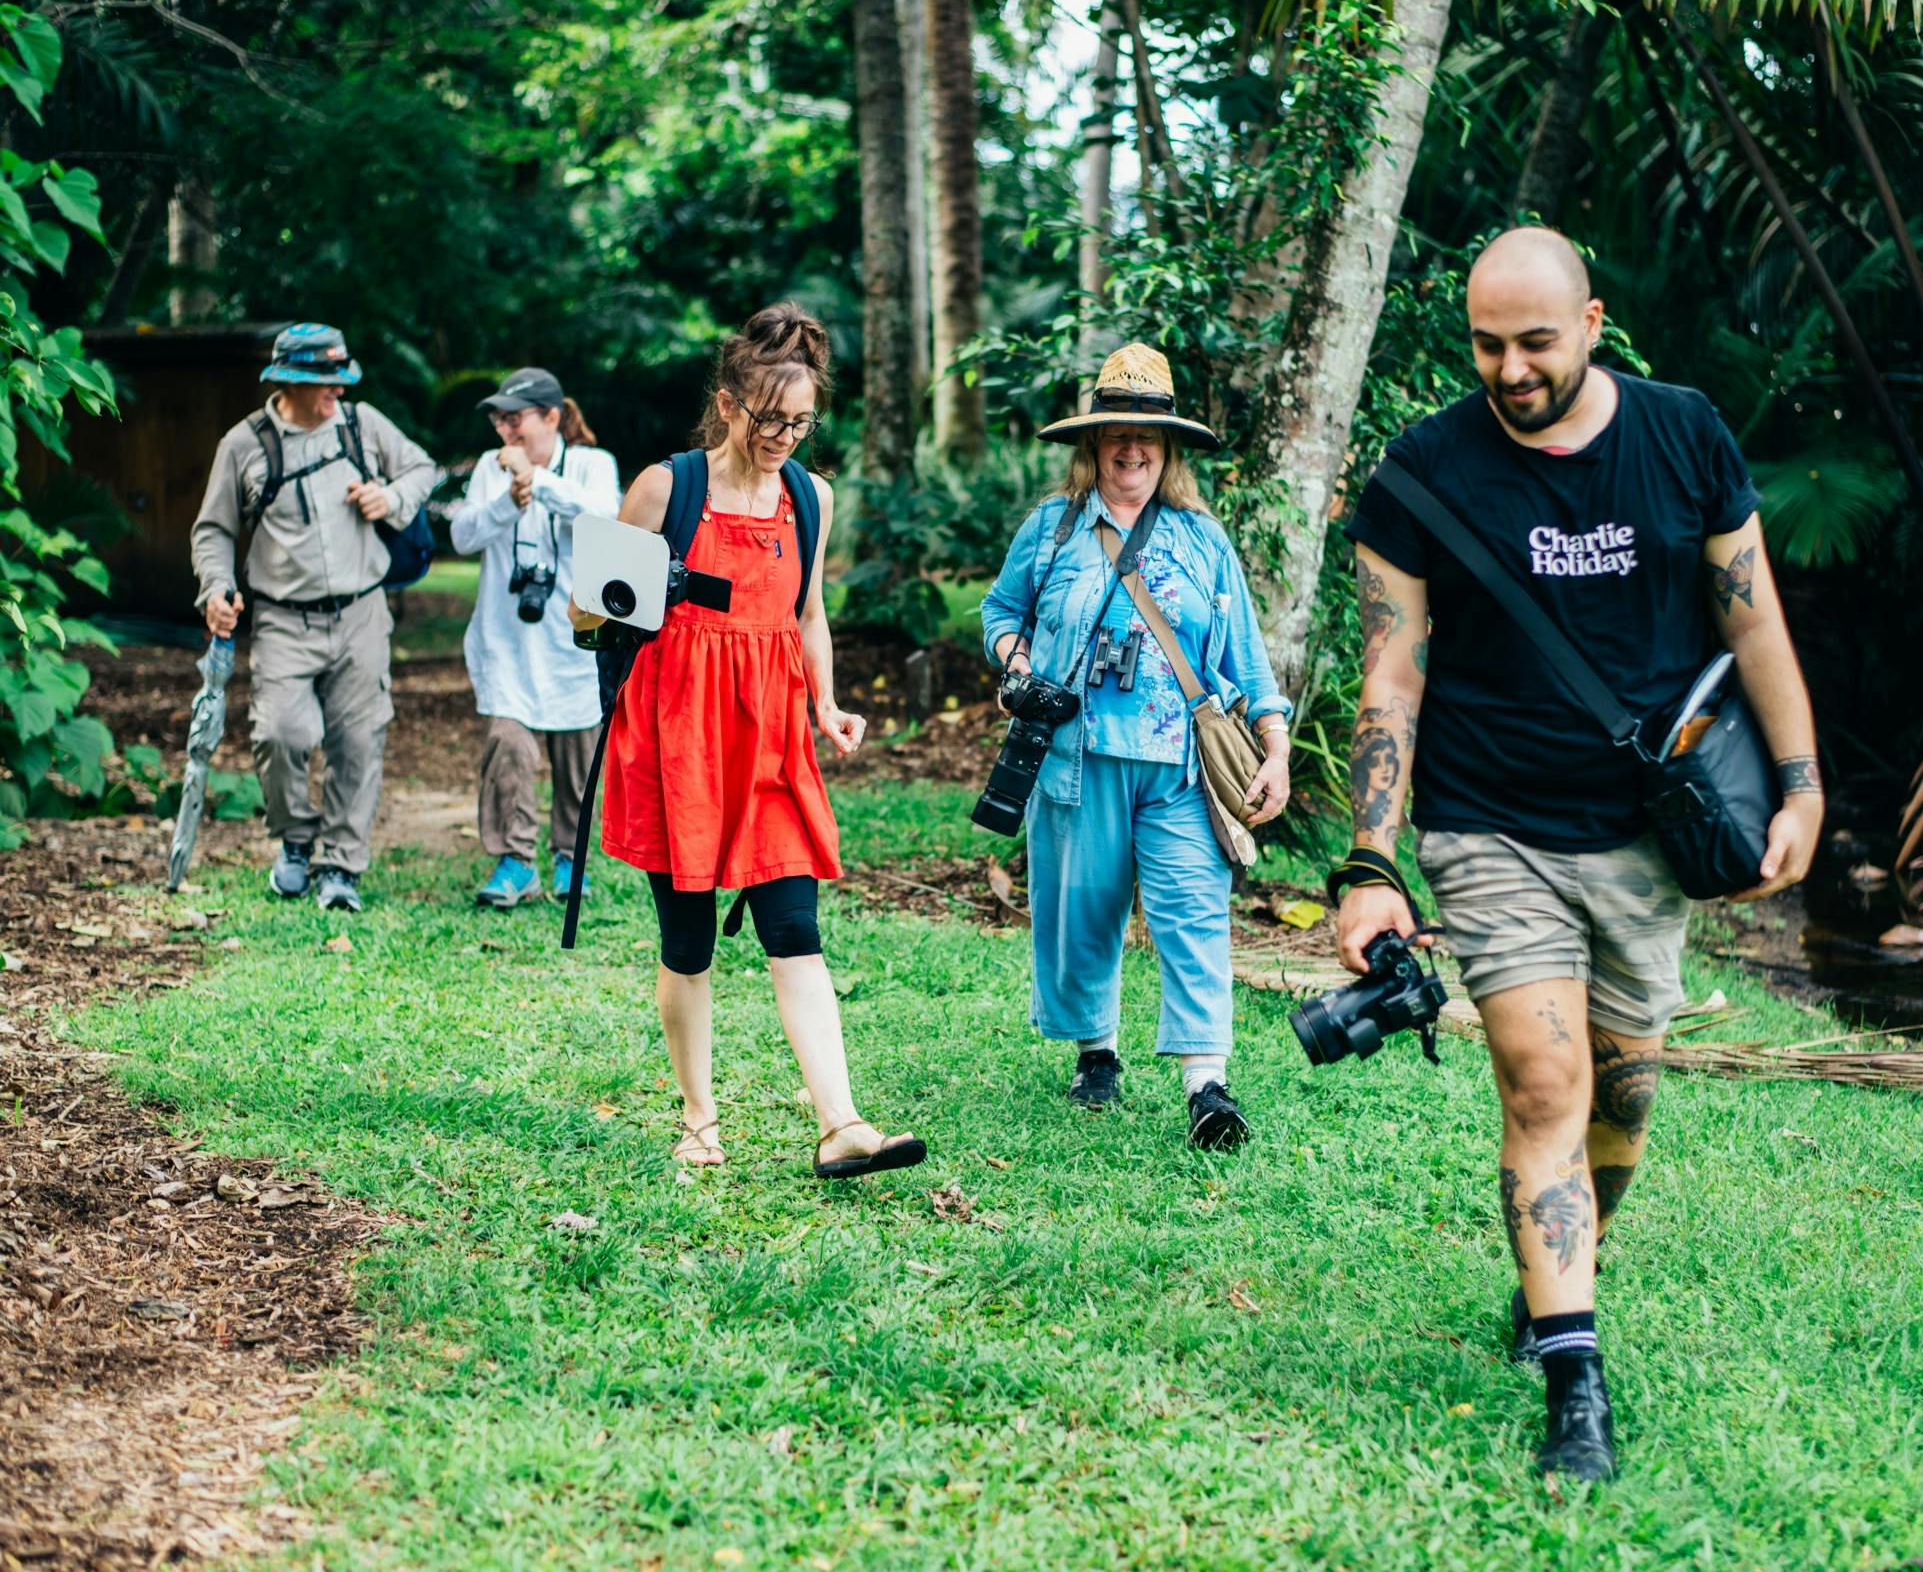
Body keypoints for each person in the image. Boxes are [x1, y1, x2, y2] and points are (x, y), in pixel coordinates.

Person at [1336, 227, 1824, 1483]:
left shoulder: (1681, 436)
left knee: (1622, 1098)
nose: (1507, 368)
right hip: (1488, 822)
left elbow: (1747, 612)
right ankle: (1574, 1379)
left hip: (1642, 836)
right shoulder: (1423, 474)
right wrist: (1370, 860)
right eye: (1485, 345)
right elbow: (1391, 672)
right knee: (1542, 1087)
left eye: (1533, 341)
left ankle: (1560, 1277)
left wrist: (1799, 782)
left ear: (1592, 321)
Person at [573, 303, 926, 1179]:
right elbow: (587, 613)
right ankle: (699, 1122)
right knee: (686, 942)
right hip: (678, 731)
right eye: (770, 419)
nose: (784, 438)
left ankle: (841, 1124)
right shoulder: (666, 488)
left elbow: (808, 614)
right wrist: (622, 590)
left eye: (800, 422)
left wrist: (827, 705)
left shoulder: (812, 495)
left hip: (770, 734)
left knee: (794, 927)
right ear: (729, 403)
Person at [980, 343, 1293, 1149]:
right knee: (1084, 913)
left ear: (1169, 449)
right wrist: (1017, 663)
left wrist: (1277, 747)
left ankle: (1207, 1084)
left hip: (1183, 767)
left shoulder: (1200, 540)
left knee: (1193, 915)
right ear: (1093, 444)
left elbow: (1248, 661)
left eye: (1147, 436)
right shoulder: (1051, 529)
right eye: (1116, 433)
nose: (1131, 449)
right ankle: (1098, 1053)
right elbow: (1000, 611)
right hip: (1077, 759)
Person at [191, 323, 440, 911]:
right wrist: (216, 587)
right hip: (283, 620)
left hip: (361, 614)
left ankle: (341, 868)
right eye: (327, 381)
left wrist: (392, 498)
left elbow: (421, 469)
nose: (339, 391)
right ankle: (297, 843)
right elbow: (214, 530)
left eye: (341, 379)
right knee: (282, 734)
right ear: (289, 382)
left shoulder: (362, 424)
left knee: (359, 741)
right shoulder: (244, 444)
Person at [450, 368, 621, 908]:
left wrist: (538, 481)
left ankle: (571, 859)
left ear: (551, 417)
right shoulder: (488, 467)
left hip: (574, 635)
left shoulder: (593, 464)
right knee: (507, 741)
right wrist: (511, 498)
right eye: (499, 418)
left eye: (515, 417)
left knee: (577, 752)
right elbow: (461, 534)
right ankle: (515, 861)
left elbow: (608, 517)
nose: (505, 428)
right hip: (505, 638)